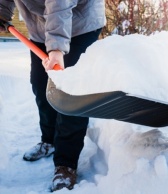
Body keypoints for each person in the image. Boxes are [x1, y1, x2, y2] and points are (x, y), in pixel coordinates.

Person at [0, 0, 105, 191]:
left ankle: (66, 163)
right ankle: (49, 140)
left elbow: (60, 4)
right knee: (40, 85)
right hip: (41, 27)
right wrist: (2, 11)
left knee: (70, 92)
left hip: (79, 23)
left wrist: (56, 48)